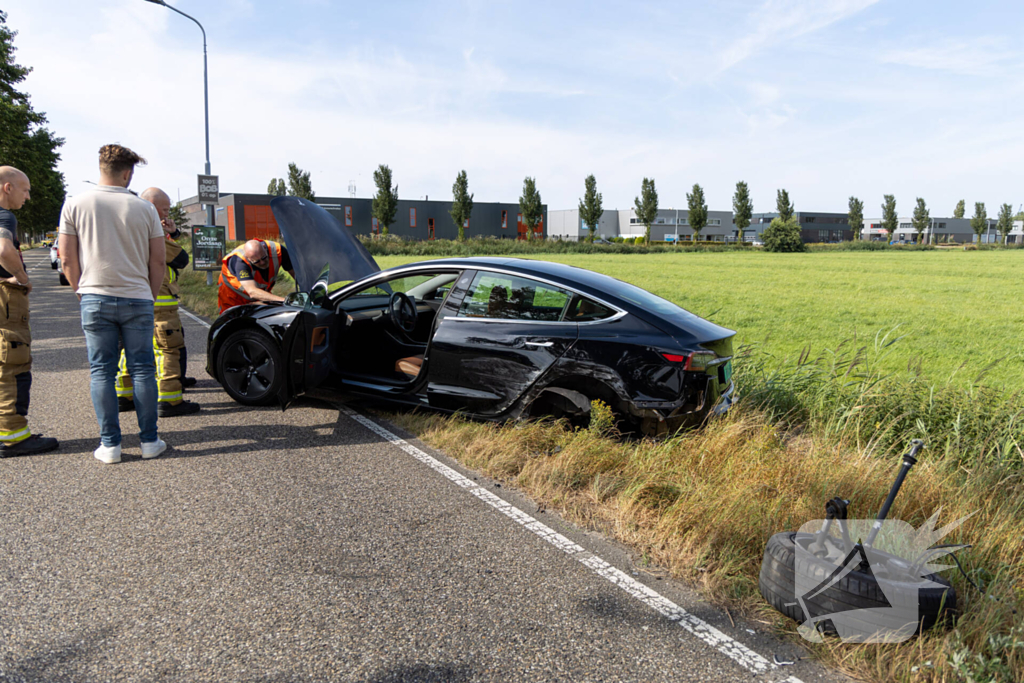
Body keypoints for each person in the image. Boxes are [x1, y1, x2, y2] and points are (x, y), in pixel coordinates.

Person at [59, 145, 167, 464]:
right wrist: (148, 293)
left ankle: (110, 446)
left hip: (95, 296)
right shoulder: (144, 209)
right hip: (137, 297)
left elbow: (66, 257)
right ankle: (149, 441)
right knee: (143, 369)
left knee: (101, 371)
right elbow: (158, 261)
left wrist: (81, 289)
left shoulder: (75, 204)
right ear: (127, 173)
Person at [114, 187, 200, 417]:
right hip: (159, 302)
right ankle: (169, 400)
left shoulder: (124, 228)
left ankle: (124, 395)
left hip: (129, 297)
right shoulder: (149, 230)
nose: (167, 214)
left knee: (131, 347)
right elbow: (180, 259)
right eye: (164, 209)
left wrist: (171, 233)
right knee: (167, 348)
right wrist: (168, 236)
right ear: (150, 207)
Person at [0, 166, 59, 456]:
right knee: (13, 366)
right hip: (6, 304)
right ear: (7, 188)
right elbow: (3, 250)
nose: (29, 197)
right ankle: (14, 437)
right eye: (26, 190)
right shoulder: (4, 215)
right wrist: (22, 278)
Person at [217, 238, 295, 312]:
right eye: (257, 261)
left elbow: (299, 277)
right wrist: (285, 301)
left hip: (260, 298)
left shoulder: (278, 250)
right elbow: (252, 292)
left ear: (264, 247)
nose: (262, 263)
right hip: (234, 301)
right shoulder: (239, 262)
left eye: (264, 258)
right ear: (248, 258)